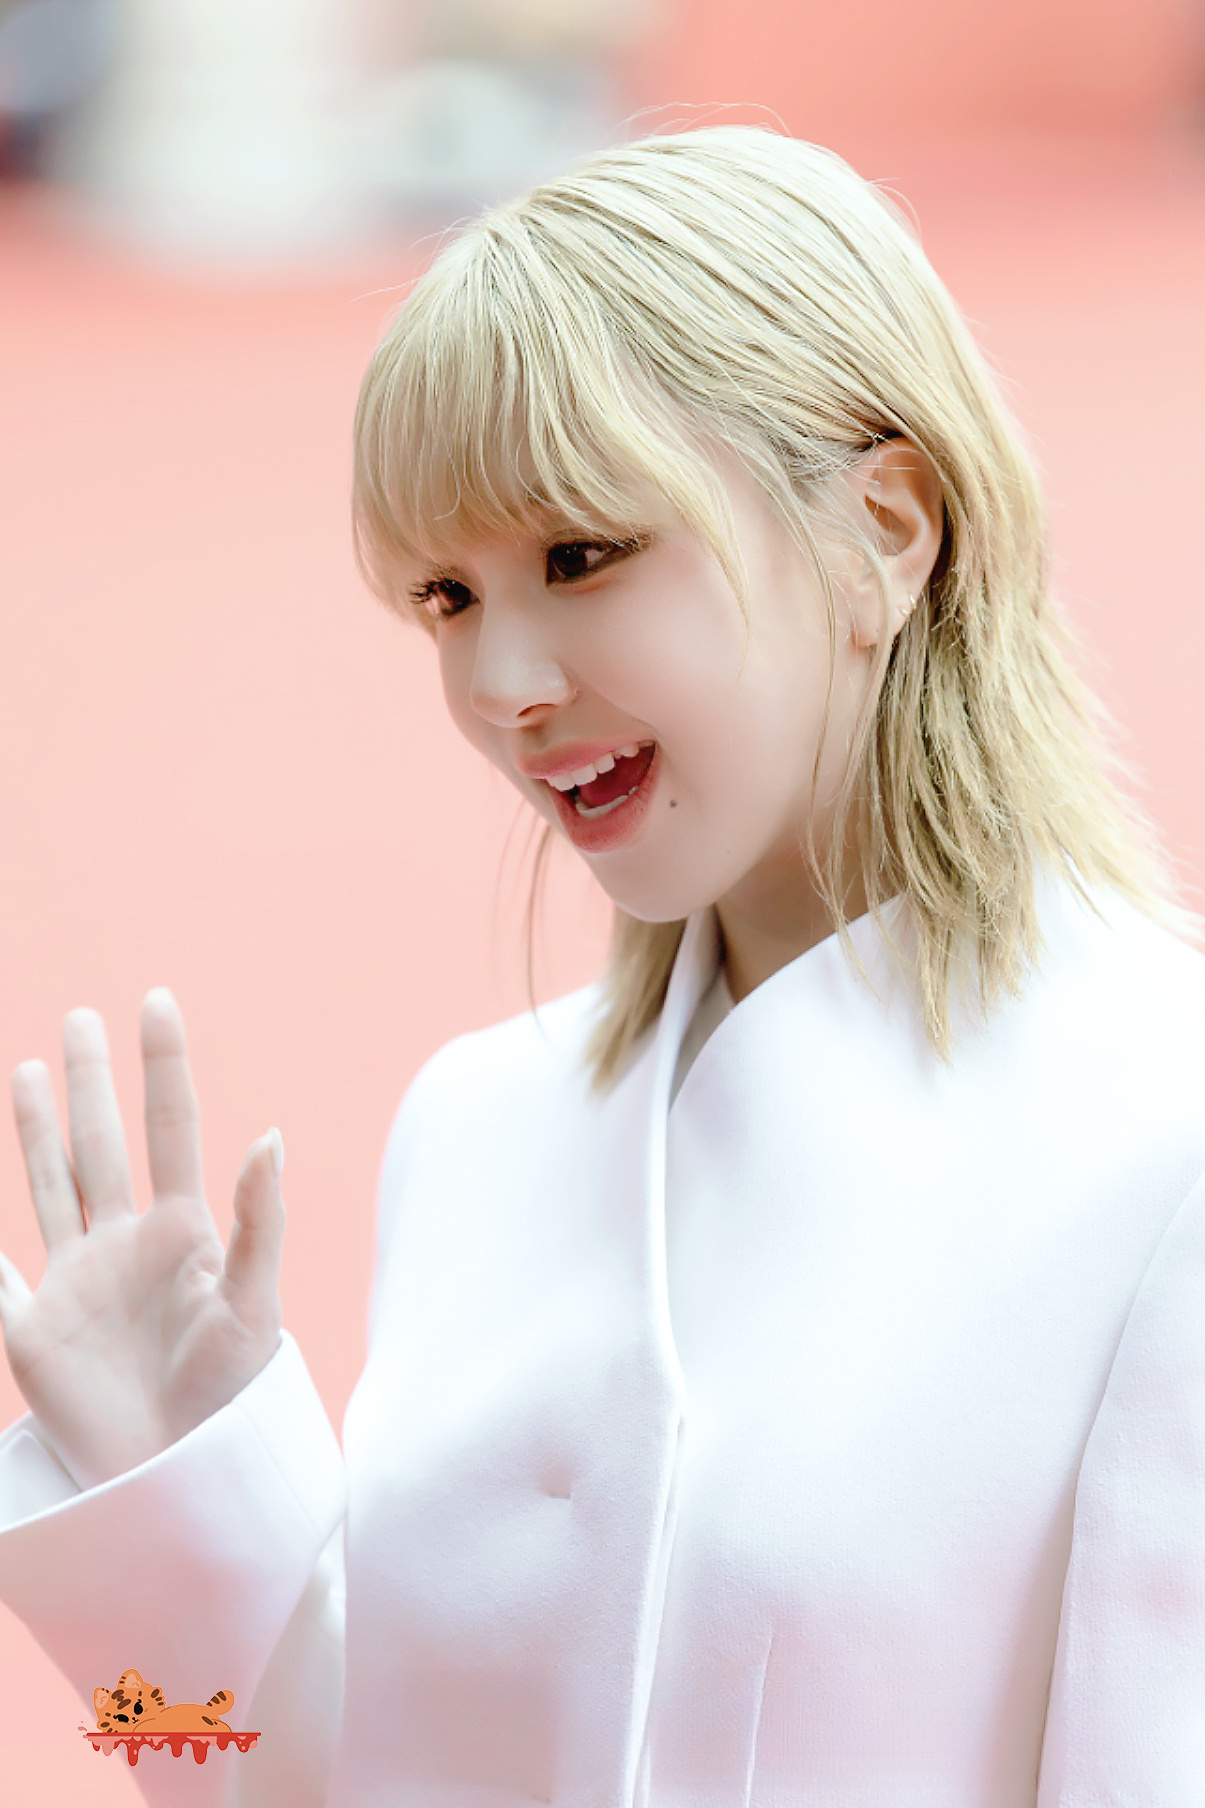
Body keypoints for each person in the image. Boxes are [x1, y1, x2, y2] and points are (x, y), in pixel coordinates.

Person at [1, 124, 1204, 1806]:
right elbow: (280, 1777)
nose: (502, 685)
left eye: (580, 557)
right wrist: (170, 1512)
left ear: (885, 527)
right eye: (445, 597)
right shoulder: (477, 1130)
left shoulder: (1160, 1136)